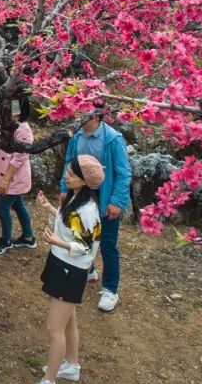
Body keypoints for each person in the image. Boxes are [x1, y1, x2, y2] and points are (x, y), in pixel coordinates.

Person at [35, 155, 105, 384]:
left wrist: (58, 242)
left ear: (85, 180)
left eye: (72, 174)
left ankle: (49, 379)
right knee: (68, 319)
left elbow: (85, 246)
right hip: (62, 264)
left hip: (70, 270)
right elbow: (70, 222)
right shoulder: (77, 199)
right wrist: (50, 208)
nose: (67, 175)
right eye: (68, 170)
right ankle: (71, 365)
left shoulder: (87, 209)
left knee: (53, 329)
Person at [58, 103, 132, 312]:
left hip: (105, 193)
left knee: (107, 243)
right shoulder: (77, 135)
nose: (79, 113)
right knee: (79, 232)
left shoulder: (112, 139)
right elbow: (69, 162)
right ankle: (87, 270)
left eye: (85, 109)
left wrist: (117, 201)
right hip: (81, 192)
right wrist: (65, 187)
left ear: (97, 115)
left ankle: (110, 289)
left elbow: (123, 172)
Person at [0, 96, 36, 254]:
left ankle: (6, 240)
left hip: (13, 176)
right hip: (7, 172)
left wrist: (6, 179)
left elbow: (21, 155)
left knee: (2, 208)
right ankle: (28, 237)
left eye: (15, 107)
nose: (12, 110)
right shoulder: (10, 125)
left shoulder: (23, 129)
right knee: (18, 205)